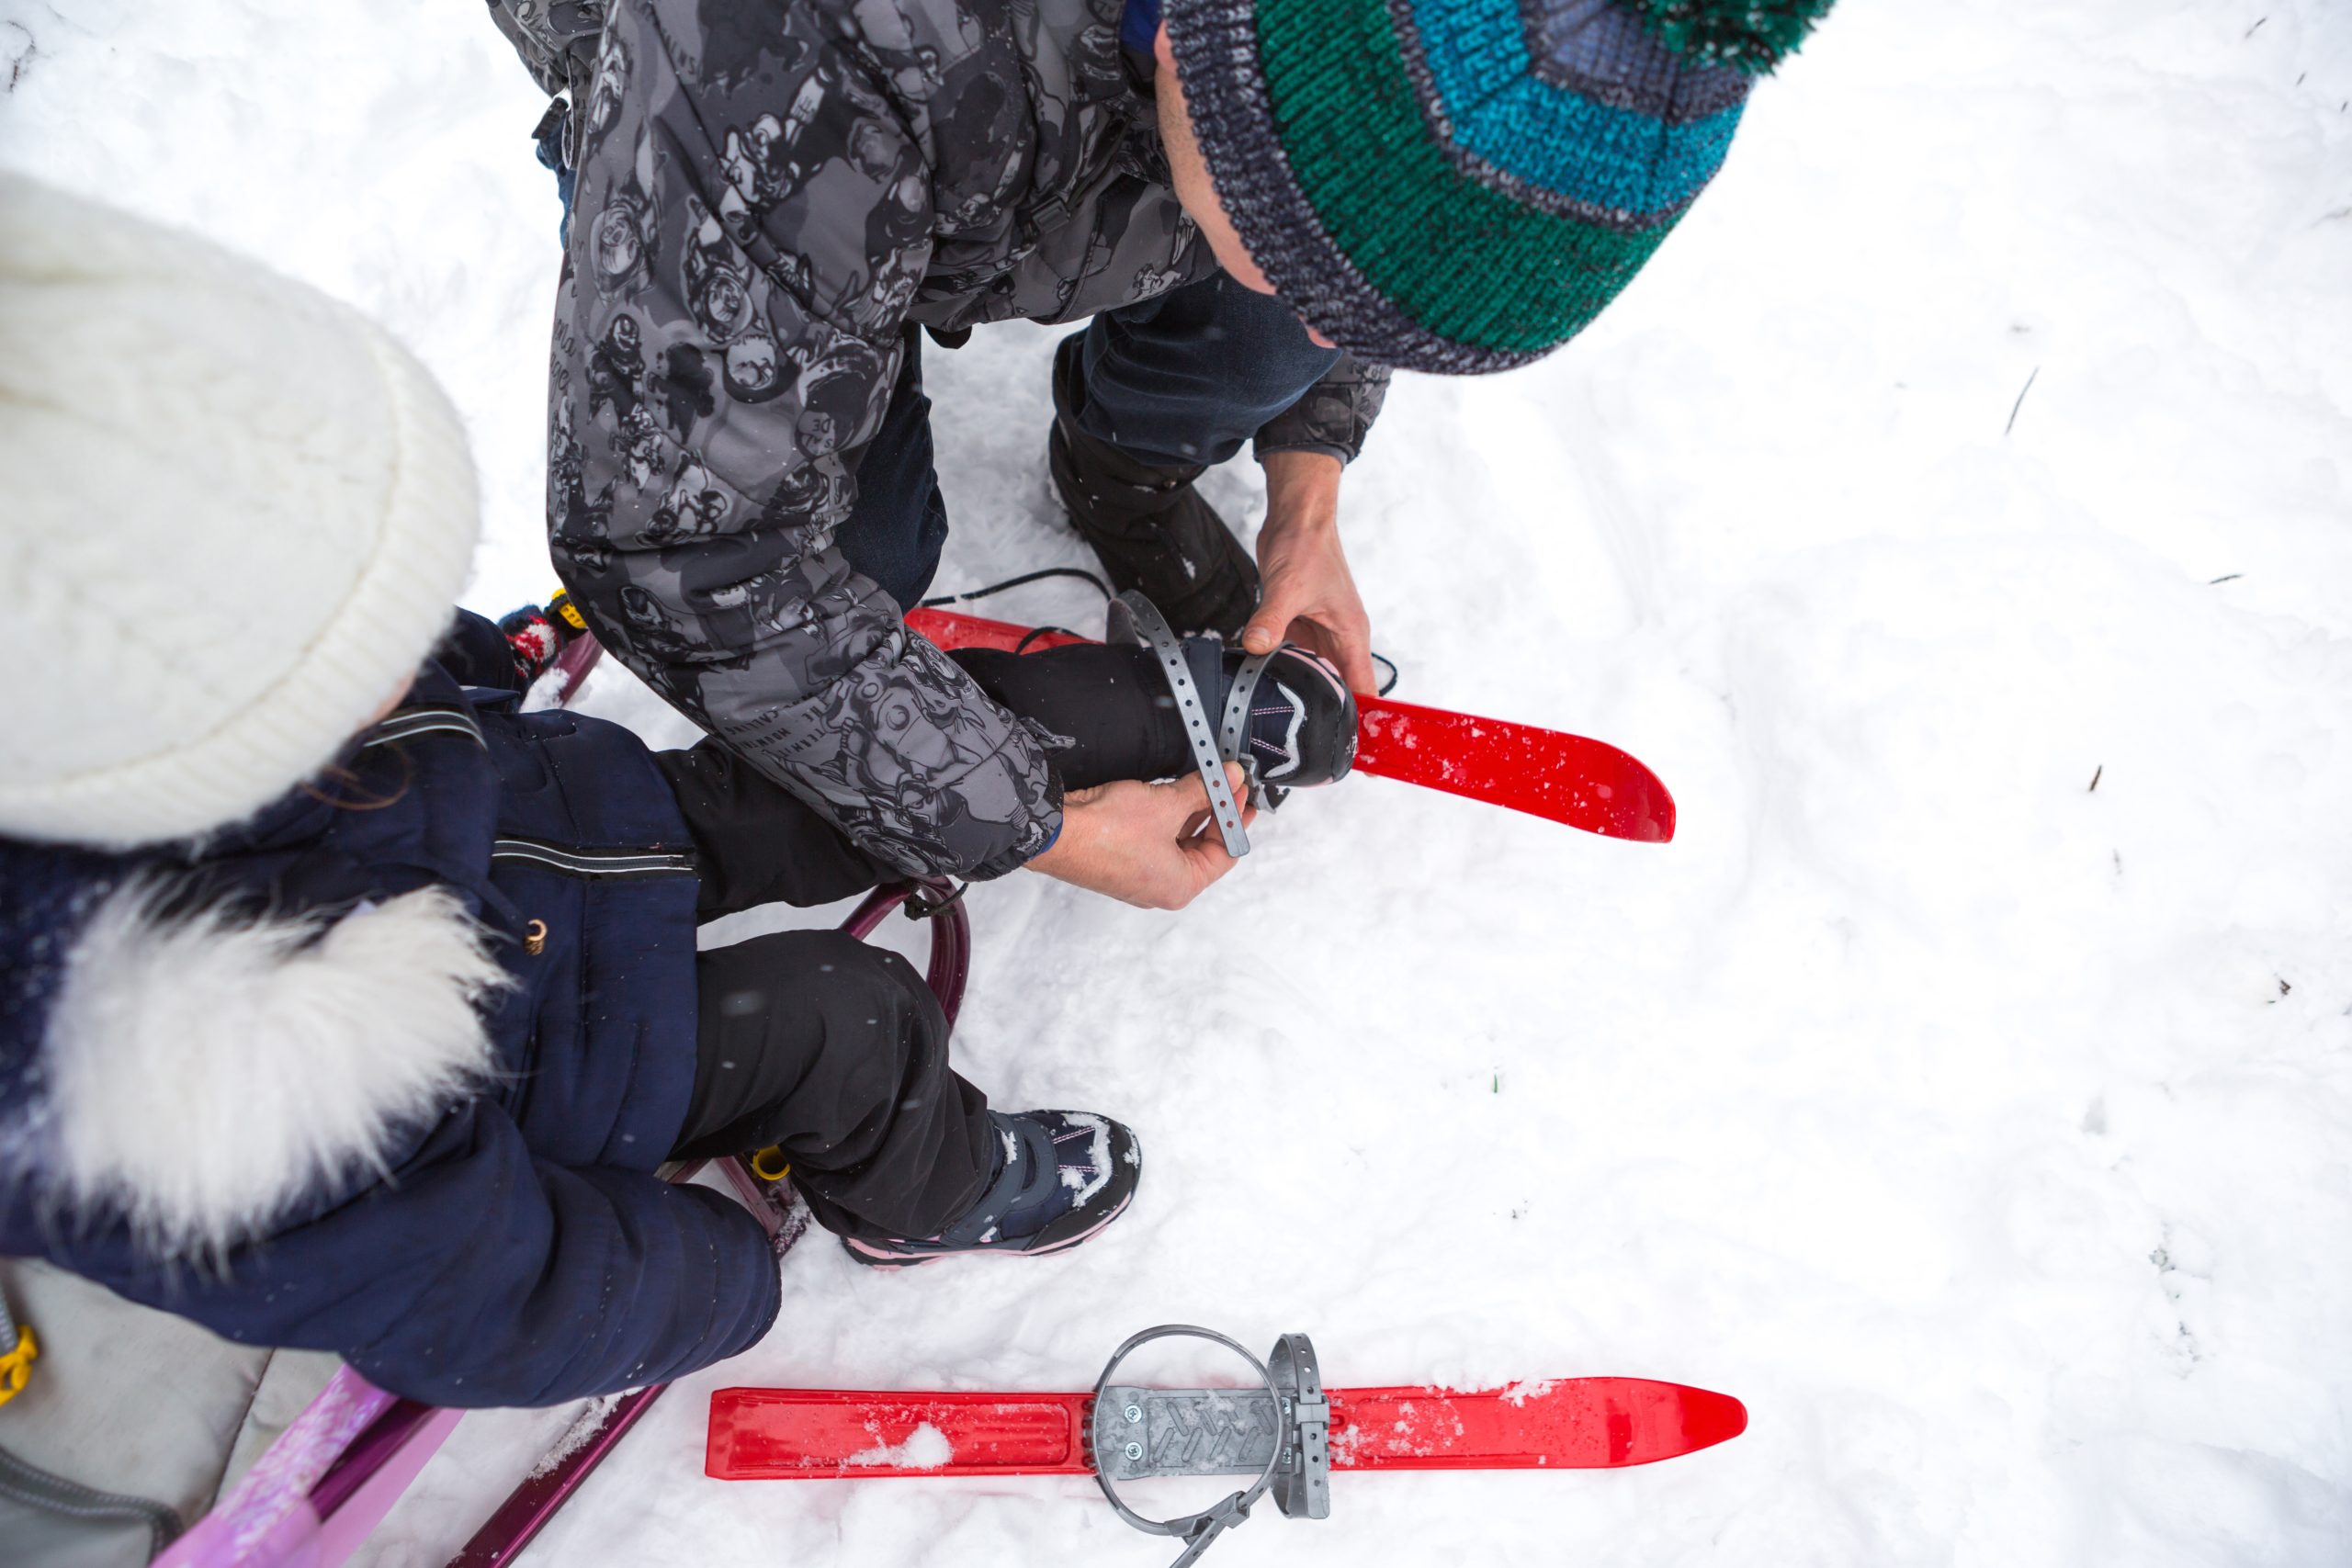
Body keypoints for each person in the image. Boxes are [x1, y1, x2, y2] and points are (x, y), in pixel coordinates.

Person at [0, 173, 1345, 1410]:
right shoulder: (219, 1101)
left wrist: (493, 654)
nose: (386, 667)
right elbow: (491, 1300)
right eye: (354, 662)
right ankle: (934, 1190)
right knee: (844, 1021)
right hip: (575, 1053)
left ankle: (1164, 712)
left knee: (866, 759)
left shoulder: (213, 673)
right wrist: (718, 1275)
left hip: (579, 826)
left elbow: (411, 671)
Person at [483, 0, 1832, 907]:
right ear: (1206, 72)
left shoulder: (1368, 60)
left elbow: (1379, 196)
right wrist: (1033, 823)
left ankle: (1120, 456)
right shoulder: (801, 64)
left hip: (1084, 115)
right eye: (1313, 269)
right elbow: (681, 540)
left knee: (1277, 320)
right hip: (741, 126)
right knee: (855, 562)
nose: (1330, 333)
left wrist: (1308, 495)